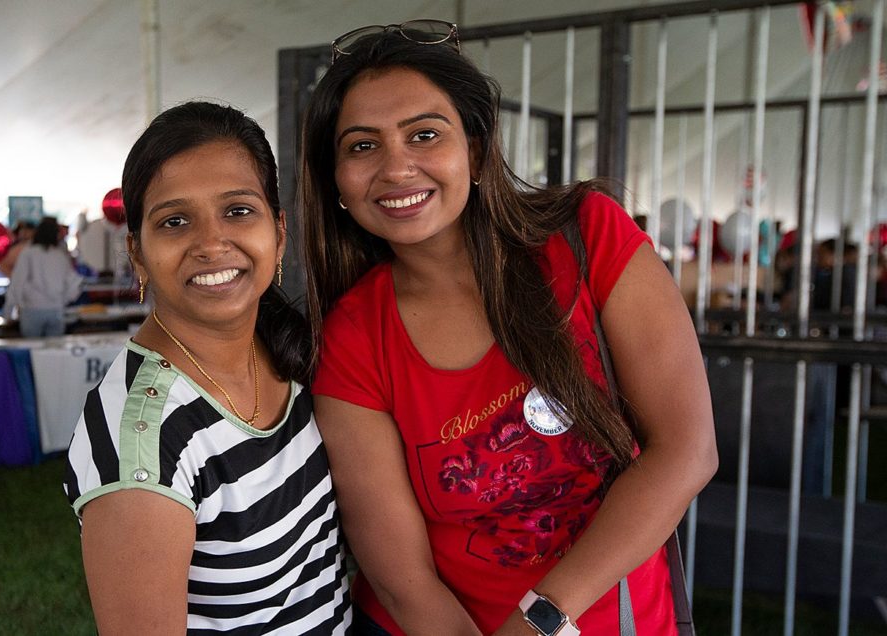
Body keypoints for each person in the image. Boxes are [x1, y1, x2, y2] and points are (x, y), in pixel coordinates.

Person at [299, 22, 718, 635]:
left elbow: (686, 452)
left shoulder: (587, 237)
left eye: (423, 134)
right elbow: (401, 578)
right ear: (336, 180)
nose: (396, 167)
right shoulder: (351, 337)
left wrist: (541, 620)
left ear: (473, 148)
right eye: (362, 146)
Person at [64, 102, 352, 634]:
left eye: (239, 211)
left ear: (279, 231)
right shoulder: (144, 445)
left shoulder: (284, 345)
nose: (212, 243)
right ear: (138, 254)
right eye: (175, 221)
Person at [2, 216, 83, 337]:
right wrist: (63, 301)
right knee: (54, 352)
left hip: (32, 310)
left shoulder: (28, 253)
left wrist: (8, 311)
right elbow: (74, 283)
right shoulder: (60, 255)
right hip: (56, 311)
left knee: (33, 351)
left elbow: (17, 282)